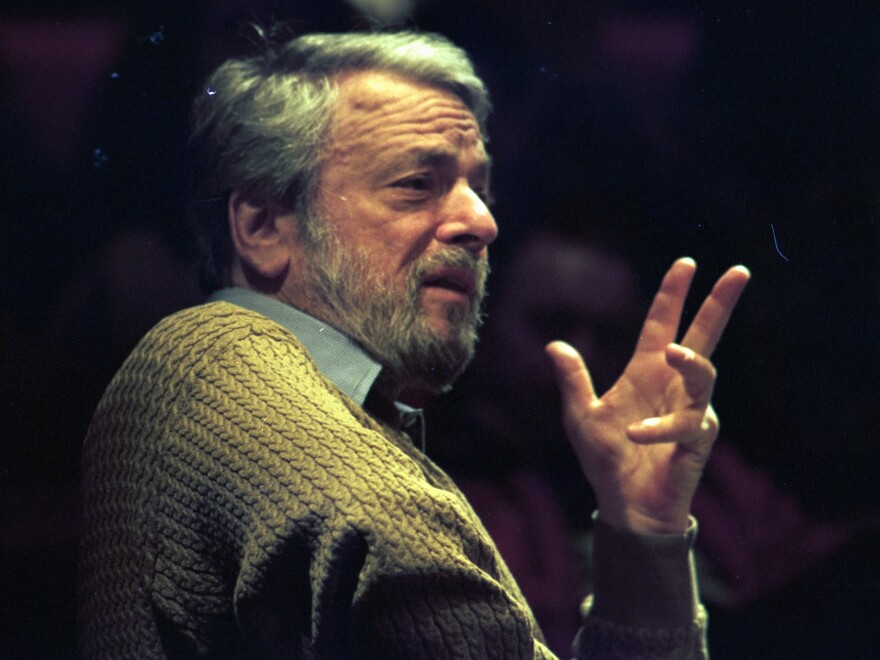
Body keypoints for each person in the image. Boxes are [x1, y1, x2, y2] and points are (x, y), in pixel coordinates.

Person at [79, 29, 750, 658]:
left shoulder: (186, 362)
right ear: (262, 225)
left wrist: (641, 534)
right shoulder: (303, 444)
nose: (481, 222)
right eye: (415, 184)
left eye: (479, 188)